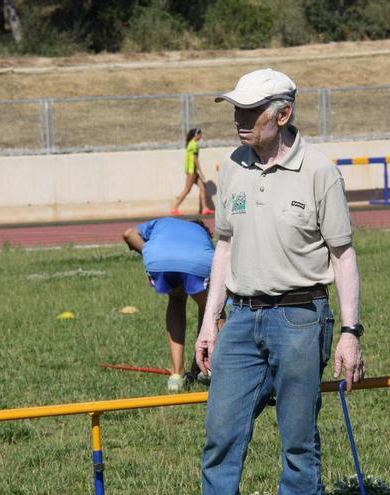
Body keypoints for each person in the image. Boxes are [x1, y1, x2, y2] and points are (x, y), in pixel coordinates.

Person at [195, 68, 366, 494]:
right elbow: (225, 247)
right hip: (240, 320)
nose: (239, 120)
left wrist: (349, 333)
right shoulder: (232, 165)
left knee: (298, 445)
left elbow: (342, 255)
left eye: (251, 112)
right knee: (220, 437)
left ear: (283, 114)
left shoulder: (320, 172)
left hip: (301, 320)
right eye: (237, 110)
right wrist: (209, 322)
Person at [123, 217, 215, 392]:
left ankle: (176, 376)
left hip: (159, 260)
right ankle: (207, 368)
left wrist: (149, 252)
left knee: (176, 299)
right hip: (199, 261)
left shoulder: (161, 222)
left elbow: (128, 234)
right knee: (210, 309)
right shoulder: (203, 236)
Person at [170, 128, 214, 216]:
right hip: (192, 171)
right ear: (196, 135)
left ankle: (204, 209)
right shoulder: (194, 145)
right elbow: (195, 159)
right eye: (200, 134)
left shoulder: (190, 144)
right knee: (187, 190)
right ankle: (174, 208)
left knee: (202, 188)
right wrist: (200, 172)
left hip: (192, 171)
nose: (201, 136)